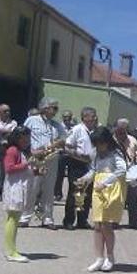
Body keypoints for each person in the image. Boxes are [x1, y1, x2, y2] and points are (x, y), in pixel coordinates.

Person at [77, 127, 127, 272]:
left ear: (107, 141)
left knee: (106, 225)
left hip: (111, 190)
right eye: (96, 144)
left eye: (100, 143)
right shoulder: (97, 154)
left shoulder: (116, 154)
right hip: (98, 190)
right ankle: (99, 258)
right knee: (97, 225)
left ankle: (110, 257)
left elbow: (121, 170)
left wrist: (105, 182)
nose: (98, 146)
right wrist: (84, 179)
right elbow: (93, 170)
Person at [21, 97, 66, 228]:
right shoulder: (32, 120)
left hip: (51, 160)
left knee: (49, 190)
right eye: (54, 108)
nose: (56, 111)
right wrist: (31, 151)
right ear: (45, 108)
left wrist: (58, 142)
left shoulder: (57, 125)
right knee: (32, 188)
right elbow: (23, 136)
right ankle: (25, 217)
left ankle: (48, 218)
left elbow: (64, 139)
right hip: (36, 159)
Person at [1, 126, 34, 262]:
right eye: (24, 138)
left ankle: (12, 249)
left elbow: (22, 170)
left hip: (20, 186)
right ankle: (10, 251)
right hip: (14, 187)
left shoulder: (21, 151)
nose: (26, 140)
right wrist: (26, 165)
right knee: (13, 218)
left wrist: (36, 171)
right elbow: (9, 168)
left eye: (27, 137)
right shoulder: (12, 150)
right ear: (17, 138)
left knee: (15, 217)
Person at [62, 107, 97, 230]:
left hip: (91, 166)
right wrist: (79, 156)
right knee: (75, 193)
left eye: (95, 116)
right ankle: (69, 220)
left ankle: (83, 220)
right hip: (77, 164)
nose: (95, 118)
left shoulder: (95, 131)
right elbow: (67, 146)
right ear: (85, 117)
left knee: (86, 194)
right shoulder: (77, 129)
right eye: (92, 116)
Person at [113, 118, 137, 229]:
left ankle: (134, 222)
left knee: (132, 199)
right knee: (116, 199)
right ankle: (114, 221)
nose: (122, 131)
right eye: (120, 129)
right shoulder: (111, 141)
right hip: (116, 173)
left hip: (131, 173)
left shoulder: (132, 140)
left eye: (125, 129)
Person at [54, 110, 76, 201]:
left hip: (71, 154)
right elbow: (56, 139)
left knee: (72, 175)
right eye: (65, 118)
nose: (67, 120)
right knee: (59, 174)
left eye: (69, 118)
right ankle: (58, 193)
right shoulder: (59, 127)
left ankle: (71, 195)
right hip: (61, 153)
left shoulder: (74, 128)